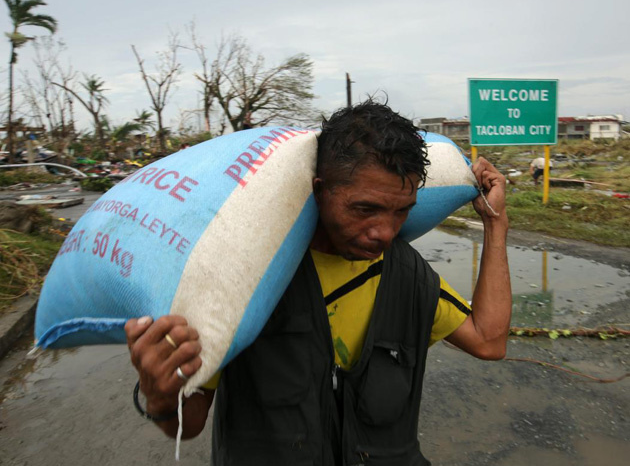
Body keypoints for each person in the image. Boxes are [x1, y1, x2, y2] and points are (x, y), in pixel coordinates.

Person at [125, 99, 512, 465]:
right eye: (365, 209)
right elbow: (187, 425)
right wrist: (160, 396)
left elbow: (488, 341)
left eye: (400, 213)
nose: (385, 233)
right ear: (318, 190)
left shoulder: (406, 274)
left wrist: (496, 224)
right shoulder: (249, 277)